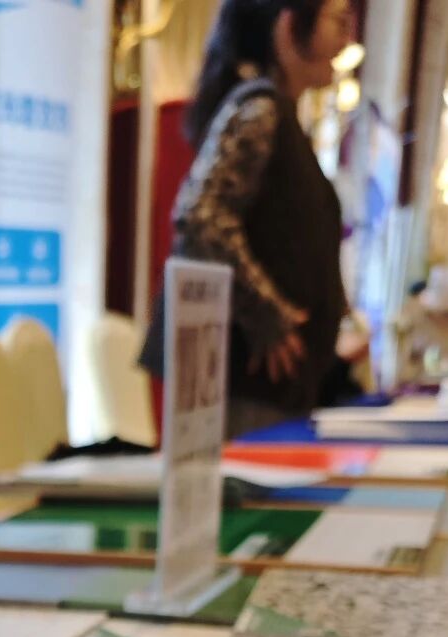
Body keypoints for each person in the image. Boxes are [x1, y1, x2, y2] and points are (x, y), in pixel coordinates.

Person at [143, 0, 356, 437]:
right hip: (246, 385)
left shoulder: (279, 114)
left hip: (270, 389)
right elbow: (200, 218)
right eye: (337, 21)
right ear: (288, 26)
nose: (345, 40)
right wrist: (267, 316)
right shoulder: (261, 110)